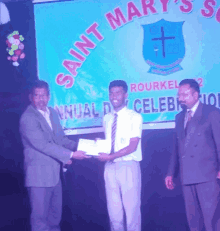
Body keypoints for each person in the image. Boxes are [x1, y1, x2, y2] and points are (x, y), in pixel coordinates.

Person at [19, 80, 89, 231]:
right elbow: (43, 145)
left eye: (43, 95)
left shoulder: (52, 113)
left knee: (55, 219)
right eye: (37, 96)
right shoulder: (28, 118)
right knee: (40, 221)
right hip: (38, 177)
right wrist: (71, 154)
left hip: (55, 175)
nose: (40, 99)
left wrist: (84, 147)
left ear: (49, 96)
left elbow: (60, 139)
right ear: (31, 97)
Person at [165, 79, 220, 231]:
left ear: (196, 94)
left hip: (208, 176)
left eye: (184, 94)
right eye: (179, 95)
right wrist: (170, 173)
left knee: (212, 221)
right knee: (193, 222)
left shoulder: (212, 113)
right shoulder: (179, 117)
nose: (180, 98)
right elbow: (177, 148)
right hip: (187, 176)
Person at [97, 80, 143, 231]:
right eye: (111, 93)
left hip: (128, 166)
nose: (114, 96)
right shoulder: (107, 118)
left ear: (125, 95)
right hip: (109, 168)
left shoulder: (134, 117)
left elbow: (133, 146)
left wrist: (110, 157)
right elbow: (109, 144)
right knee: (114, 213)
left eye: (118, 93)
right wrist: (98, 148)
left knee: (132, 213)